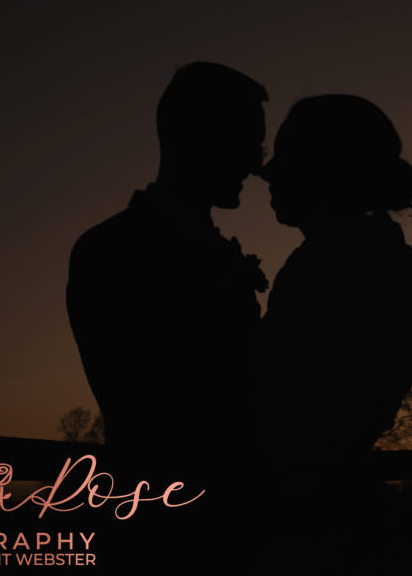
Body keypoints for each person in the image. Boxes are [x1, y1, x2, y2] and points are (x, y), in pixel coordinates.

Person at [65, 62, 268, 574]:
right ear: (195, 137)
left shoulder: (212, 253)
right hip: (163, 527)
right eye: (247, 141)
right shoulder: (109, 250)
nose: (257, 163)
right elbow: (139, 403)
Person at [258, 94, 412, 575]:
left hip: (313, 527)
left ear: (326, 168)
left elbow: (294, 408)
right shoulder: (370, 259)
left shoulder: (340, 266)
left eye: (286, 156)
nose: (267, 172)